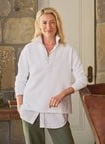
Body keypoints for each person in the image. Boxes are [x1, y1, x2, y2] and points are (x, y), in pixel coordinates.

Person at [15, 7, 87, 144]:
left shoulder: (68, 50)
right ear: (38, 25)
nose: (48, 26)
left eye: (52, 22)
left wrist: (63, 94)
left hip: (57, 110)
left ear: (57, 24)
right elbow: (20, 79)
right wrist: (20, 105)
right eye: (44, 22)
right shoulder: (29, 50)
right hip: (31, 110)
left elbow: (82, 80)